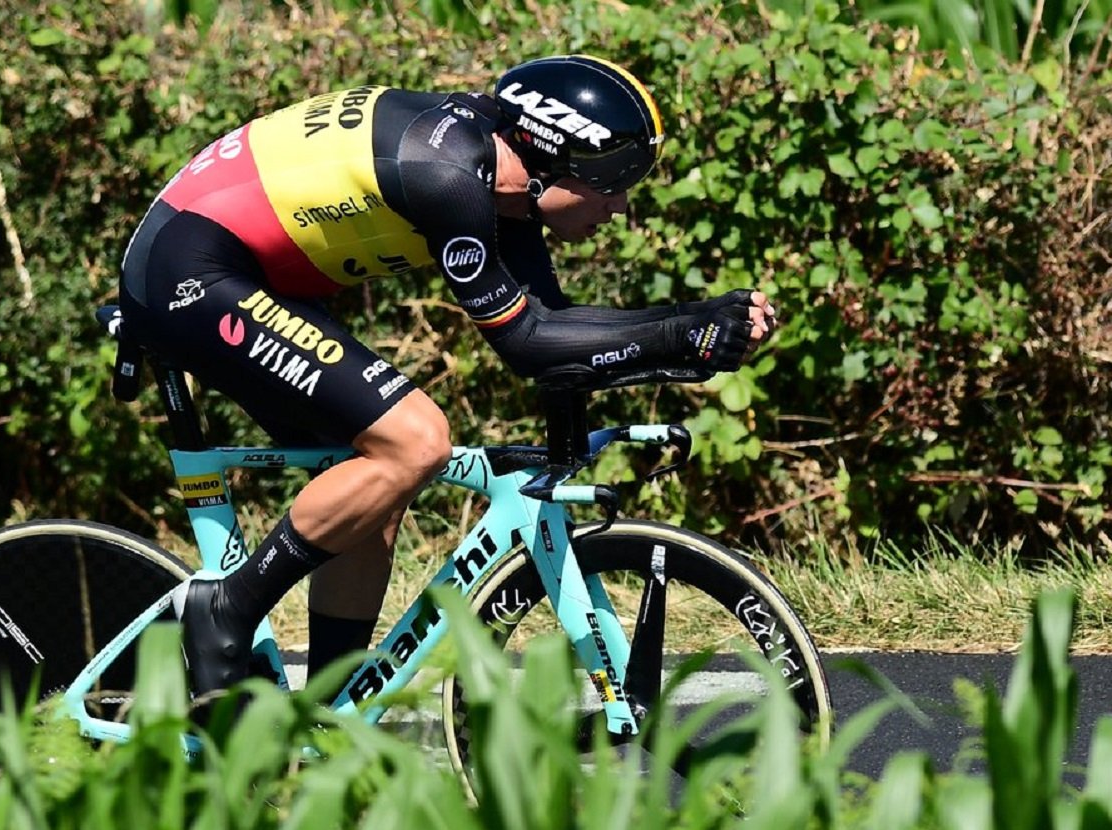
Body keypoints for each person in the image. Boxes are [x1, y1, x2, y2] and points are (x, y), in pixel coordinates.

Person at [116, 54, 775, 698]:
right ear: (551, 161)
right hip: (188, 272)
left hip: (244, 271)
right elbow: (525, 345)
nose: (622, 208)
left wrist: (693, 335)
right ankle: (225, 610)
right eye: (612, 185)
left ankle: (321, 712)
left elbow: (555, 329)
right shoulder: (448, 171)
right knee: (416, 442)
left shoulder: (504, 181)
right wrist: (679, 328)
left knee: (375, 481)